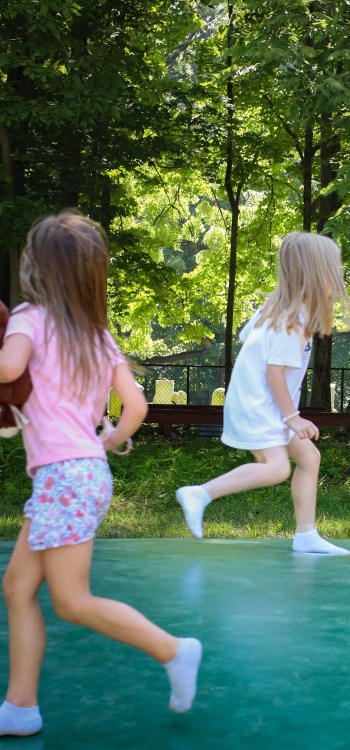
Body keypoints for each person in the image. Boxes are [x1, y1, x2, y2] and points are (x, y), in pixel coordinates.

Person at [0, 212, 201, 736]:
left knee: (71, 601)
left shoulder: (29, 318)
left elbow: (8, 369)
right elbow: (134, 406)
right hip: (82, 473)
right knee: (19, 587)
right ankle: (20, 707)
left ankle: (174, 650)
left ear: (38, 267)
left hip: (64, 477)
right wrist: (107, 440)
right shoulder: (97, 335)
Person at [176, 232, 350, 555]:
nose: (336, 280)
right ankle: (200, 493)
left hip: (266, 403)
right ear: (313, 275)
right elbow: (274, 373)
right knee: (277, 468)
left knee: (309, 458)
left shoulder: (277, 310)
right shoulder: (293, 320)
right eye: (332, 271)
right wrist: (292, 418)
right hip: (260, 405)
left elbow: (250, 341)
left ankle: (306, 534)